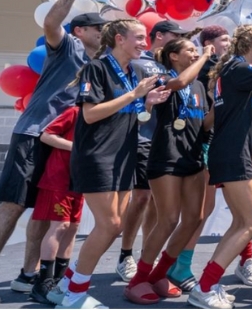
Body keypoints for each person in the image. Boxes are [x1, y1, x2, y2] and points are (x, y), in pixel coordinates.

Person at [52, 19, 170, 309]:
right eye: (140, 38)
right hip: (98, 157)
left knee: (113, 227)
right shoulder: (97, 67)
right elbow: (90, 115)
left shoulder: (133, 72)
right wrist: (135, 95)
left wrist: (148, 101)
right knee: (110, 225)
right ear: (119, 38)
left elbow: (130, 112)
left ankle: (65, 284)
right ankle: (74, 295)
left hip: (123, 156)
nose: (146, 43)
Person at [0, 0, 104, 295]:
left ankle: (28, 274)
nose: (101, 31)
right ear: (79, 32)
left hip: (61, 143)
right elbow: (51, 21)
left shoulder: (99, 65)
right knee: (12, 207)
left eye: (103, 27)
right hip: (33, 133)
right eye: (95, 27)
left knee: (46, 212)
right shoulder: (65, 46)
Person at [187, 25, 252, 310]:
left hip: (233, 151)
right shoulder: (237, 68)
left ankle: (209, 283)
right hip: (233, 153)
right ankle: (205, 286)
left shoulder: (235, 67)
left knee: (241, 222)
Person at [122, 39, 214, 305]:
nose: (197, 53)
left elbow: (205, 124)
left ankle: (159, 274)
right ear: (173, 56)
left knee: (194, 219)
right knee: (169, 219)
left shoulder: (199, 85)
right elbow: (180, 83)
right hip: (166, 157)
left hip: (193, 157)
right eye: (191, 50)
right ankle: (138, 279)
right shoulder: (162, 78)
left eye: (198, 51)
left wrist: (224, 105)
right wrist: (206, 56)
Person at [117, 20, 191, 283]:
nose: (181, 39)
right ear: (160, 36)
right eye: (177, 35)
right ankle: (125, 255)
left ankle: (147, 256)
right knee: (139, 199)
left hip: (163, 141)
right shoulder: (138, 62)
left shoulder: (167, 68)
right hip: (138, 138)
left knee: (156, 206)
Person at [166, 25, 231, 291]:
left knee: (203, 211)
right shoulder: (206, 67)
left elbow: (209, 117)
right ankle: (175, 266)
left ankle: (176, 264)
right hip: (194, 147)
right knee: (194, 212)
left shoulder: (221, 69)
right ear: (209, 44)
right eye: (224, 39)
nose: (229, 43)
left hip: (210, 141)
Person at [28, 106, 82, 305]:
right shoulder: (75, 112)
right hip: (58, 179)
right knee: (60, 226)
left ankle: (60, 279)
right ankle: (43, 282)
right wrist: (75, 147)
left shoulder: (104, 115)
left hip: (79, 181)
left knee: (73, 228)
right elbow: (47, 135)